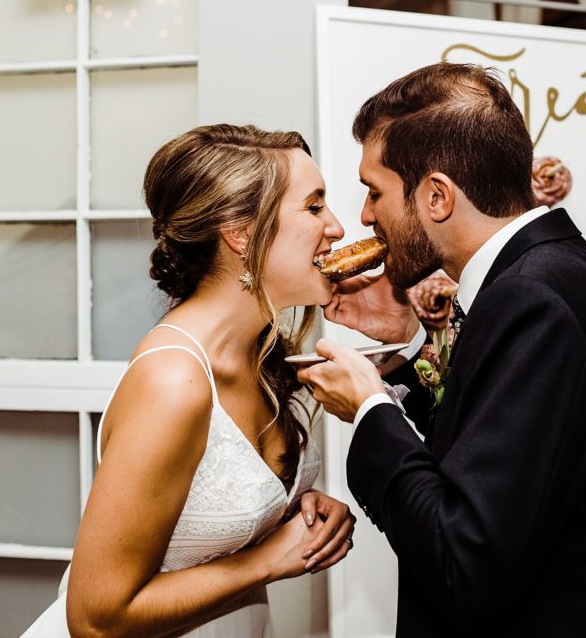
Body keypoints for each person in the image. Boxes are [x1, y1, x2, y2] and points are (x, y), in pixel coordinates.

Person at [297, 63, 586, 636]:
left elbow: (465, 558)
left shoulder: (530, 299)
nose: (365, 216)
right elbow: (510, 443)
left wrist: (372, 411)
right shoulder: (551, 271)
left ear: (436, 196)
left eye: (374, 191)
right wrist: (407, 349)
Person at [23, 124, 356, 638]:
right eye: (314, 207)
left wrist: (297, 511)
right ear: (240, 232)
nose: (336, 227)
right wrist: (268, 560)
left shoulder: (262, 353)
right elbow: (95, 619)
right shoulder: (173, 381)